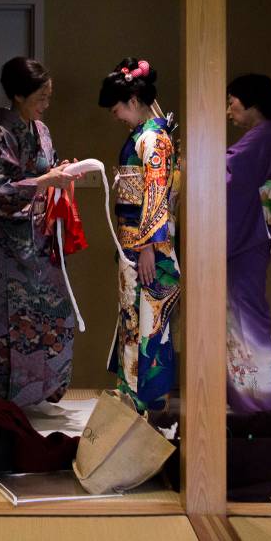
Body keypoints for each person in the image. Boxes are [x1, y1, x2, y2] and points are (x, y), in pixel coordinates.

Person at [0, 57, 80, 406]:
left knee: (57, 317)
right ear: (18, 95)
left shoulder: (42, 131)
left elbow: (46, 173)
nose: (47, 104)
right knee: (10, 326)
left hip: (40, 242)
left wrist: (59, 173)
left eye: (49, 96)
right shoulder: (0, 134)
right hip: (7, 248)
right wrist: (43, 181)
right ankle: (7, 405)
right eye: (41, 97)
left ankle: (41, 395)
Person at [98, 58, 181, 412]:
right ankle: (133, 399)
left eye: (116, 108)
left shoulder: (153, 138)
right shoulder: (143, 135)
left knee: (148, 325)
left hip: (148, 246)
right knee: (134, 319)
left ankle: (147, 403)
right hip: (133, 243)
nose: (114, 115)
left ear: (133, 101)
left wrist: (148, 247)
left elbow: (156, 193)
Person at [226, 73, 271, 413]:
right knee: (241, 316)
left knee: (248, 317)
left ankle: (263, 403)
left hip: (248, 240)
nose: (228, 110)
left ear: (252, 102)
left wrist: (196, 166)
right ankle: (248, 399)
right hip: (250, 237)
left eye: (233, 102)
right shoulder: (263, 138)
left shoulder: (261, 138)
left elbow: (225, 174)